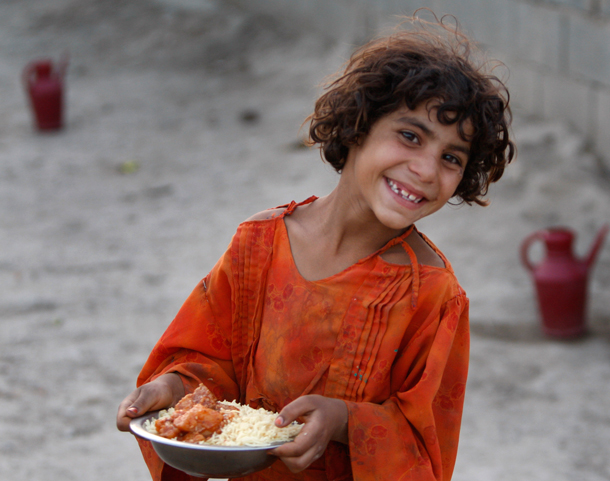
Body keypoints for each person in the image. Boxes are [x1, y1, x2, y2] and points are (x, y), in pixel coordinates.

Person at [117, 14, 514, 481]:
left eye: (451, 158)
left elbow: (425, 446)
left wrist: (345, 421)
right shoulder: (259, 246)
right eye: (410, 135)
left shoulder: (429, 296)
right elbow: (212, 361)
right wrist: (173, 387)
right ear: (358, 127)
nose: (427, 170)